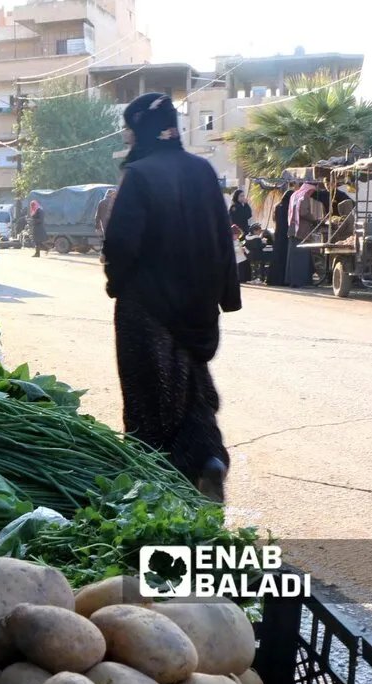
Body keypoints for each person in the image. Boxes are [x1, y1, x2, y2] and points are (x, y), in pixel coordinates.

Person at [103, 93, 241, 502]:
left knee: (150, 398)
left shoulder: (140, 175)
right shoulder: (202, 171)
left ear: (141, 129)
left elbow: (122, 245)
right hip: (197, 310)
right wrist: (225, 297)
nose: (127, 138)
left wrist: (116, 283)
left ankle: (159, 491)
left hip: (149, 310)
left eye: (129, 129)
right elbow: (222, 239)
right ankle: (207, 461)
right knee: (193, 391)